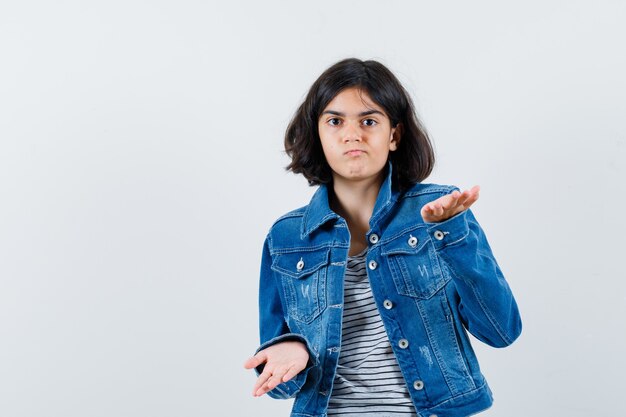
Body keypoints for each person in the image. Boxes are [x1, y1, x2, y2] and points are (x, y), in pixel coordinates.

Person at [244, 58, 522, 417]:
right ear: (318, 134)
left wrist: (452, 235)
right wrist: (290, 350)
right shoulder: (285, 237)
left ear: (394, 135)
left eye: (369, 121)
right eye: (335, 121)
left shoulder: (441, 210)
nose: (352, 134)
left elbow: (501, 331)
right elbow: (277, 384)